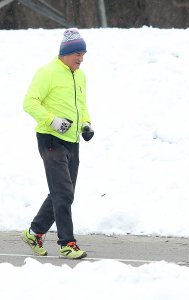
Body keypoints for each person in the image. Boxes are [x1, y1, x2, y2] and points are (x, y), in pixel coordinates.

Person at [21, 28, 94, 259]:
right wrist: (53, 121)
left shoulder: (80, 76)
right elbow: (29, 102)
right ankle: (67, 243)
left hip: (72, 140)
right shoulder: (47, 72)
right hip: (50, 139)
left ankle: (34, 232)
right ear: (65, 53)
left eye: (83, 54)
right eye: (77, 54)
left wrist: (86, 124)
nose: (81, 59)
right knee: (63, 192)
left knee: (63, 192)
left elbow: (81, 105)